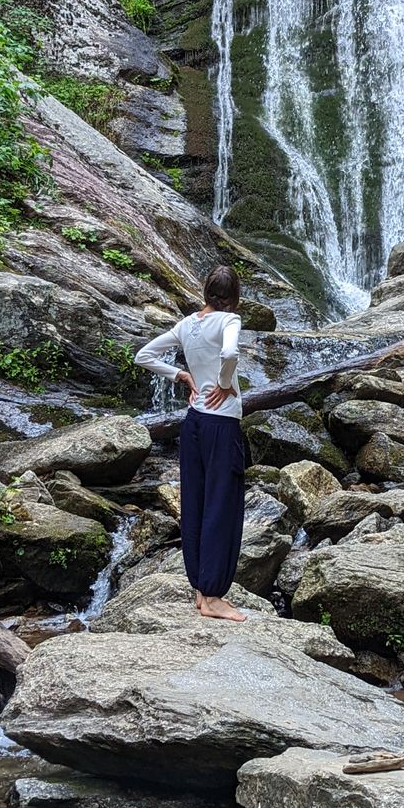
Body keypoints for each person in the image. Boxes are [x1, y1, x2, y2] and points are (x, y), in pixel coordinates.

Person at [134, 264, 246, 622]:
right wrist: (225, 383)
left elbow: (144, 355)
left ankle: (200, 589)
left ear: (205, 292)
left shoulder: (187, 324)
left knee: (195, 503)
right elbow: (229, 355)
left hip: (194, 422)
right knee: (222, 504)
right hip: (222, 422)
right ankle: (213, 597)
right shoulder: (230, 320)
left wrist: (181, 374)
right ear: (234, 297)